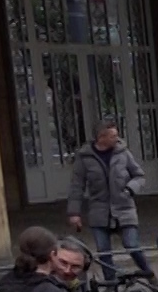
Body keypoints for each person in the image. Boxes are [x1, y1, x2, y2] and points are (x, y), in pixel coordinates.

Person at [64, 119, 152, 283]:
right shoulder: (84, 158)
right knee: (104, 252)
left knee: (132, 245)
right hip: (99, 210)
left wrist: (130, 189)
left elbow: (139, 175)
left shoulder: (123, 153)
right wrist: (74, 213)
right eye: (112, 136)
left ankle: (148, 273)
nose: (117, 139)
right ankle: (111, 283)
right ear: (101, 137)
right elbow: (77, 186)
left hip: (124, 207)